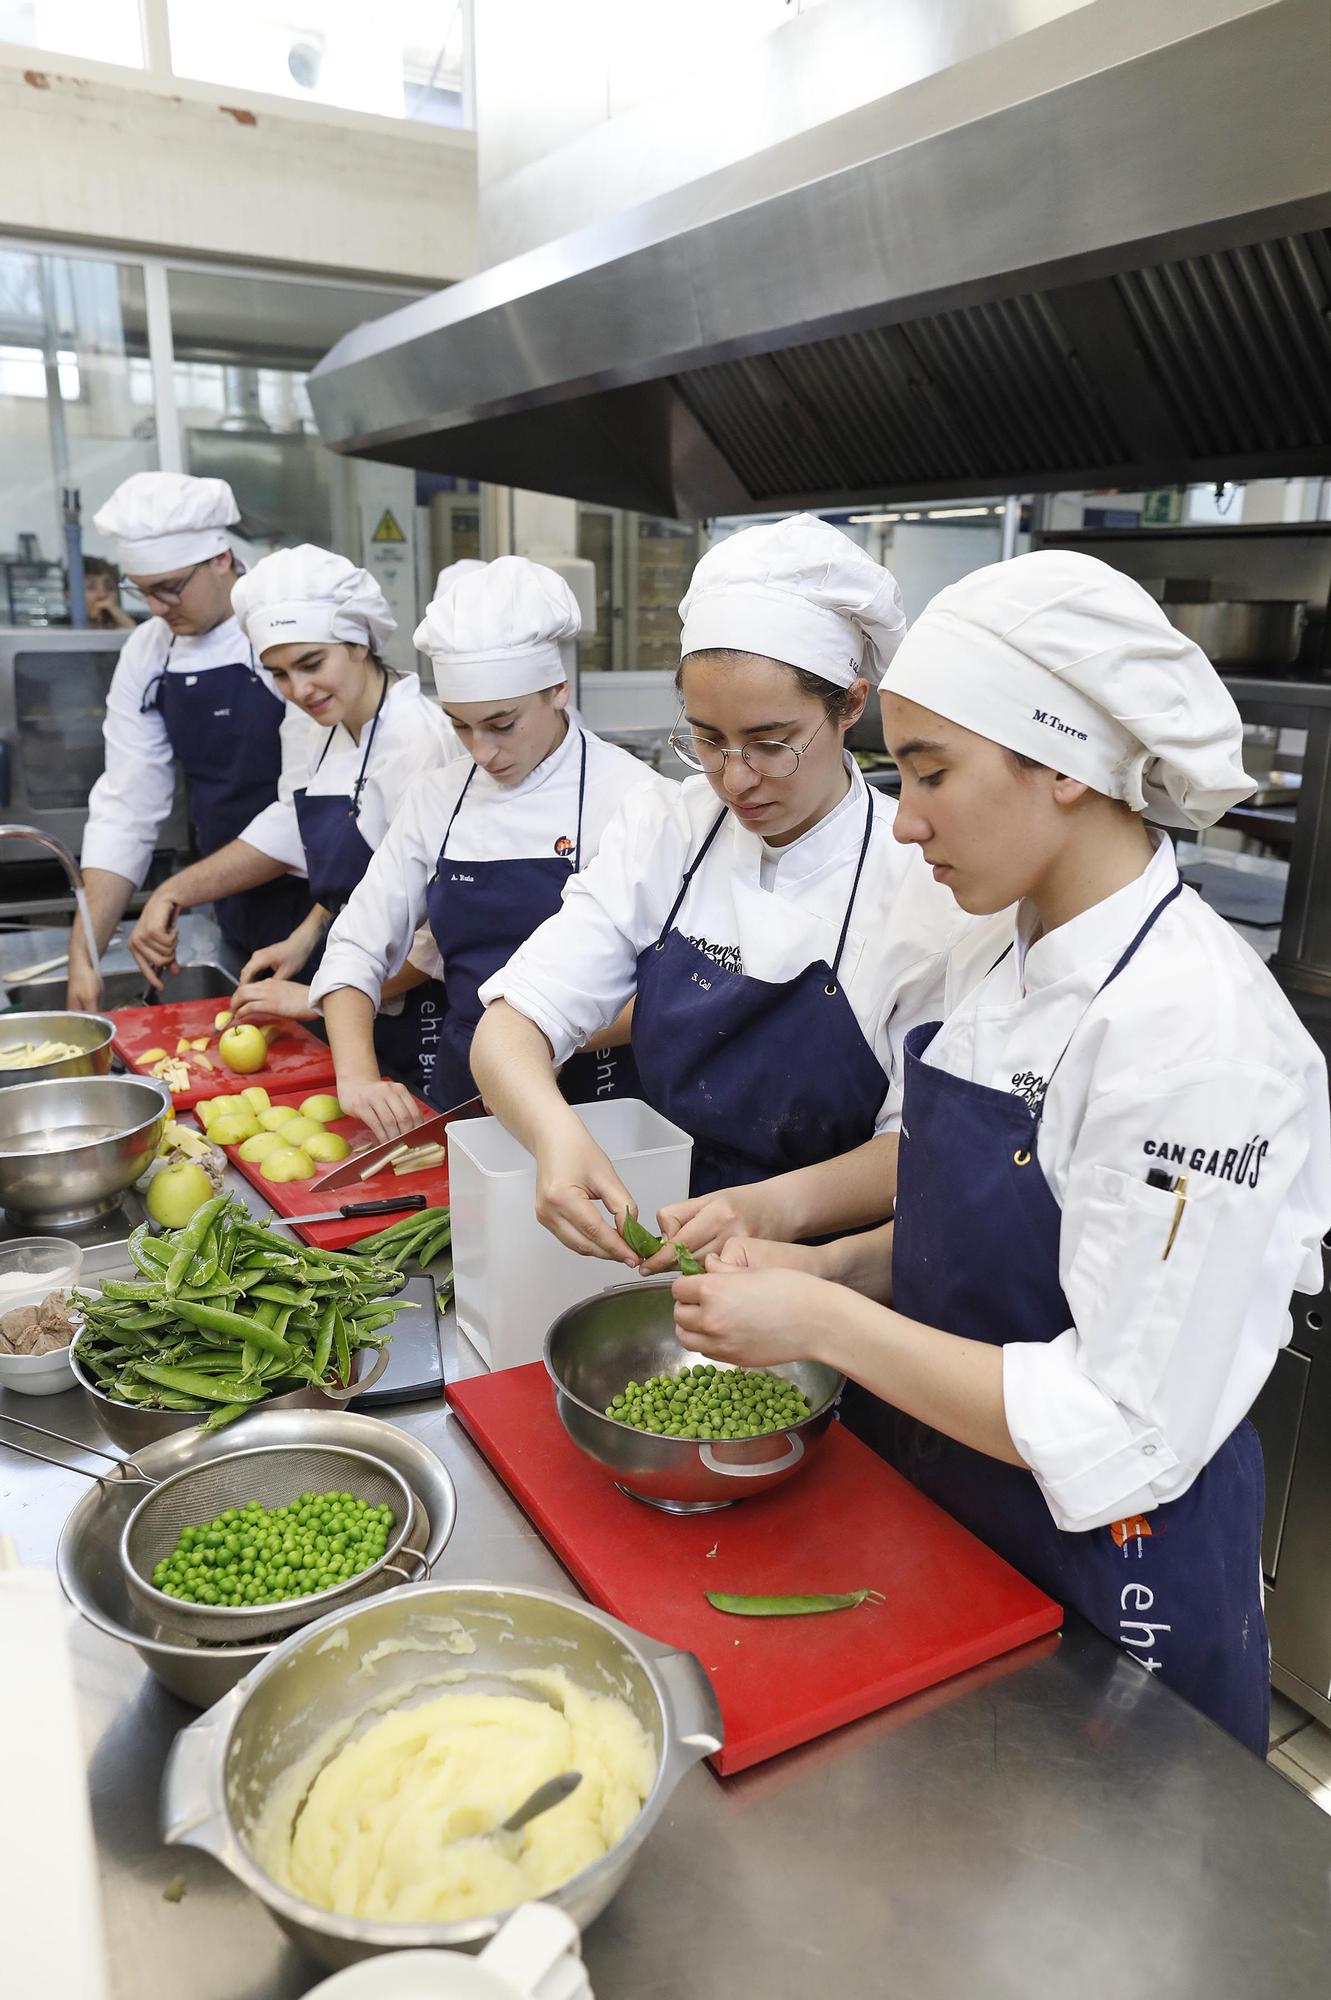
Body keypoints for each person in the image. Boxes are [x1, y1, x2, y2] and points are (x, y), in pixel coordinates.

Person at [669, 549, 1331, 1754]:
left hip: (1113, 1583)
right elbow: (978, 1222)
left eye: (930, 773)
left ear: (1065, 765)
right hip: (957, 1513)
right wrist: (822, 1266)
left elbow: (1118, 1423)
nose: (905, 819)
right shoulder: (1005, 943)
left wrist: (821, 1327)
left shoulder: (1195, 1036)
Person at [470, 515, 975, 1271]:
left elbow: (916, 1146)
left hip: (824, 1275)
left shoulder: (921, 882)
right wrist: (556, 1138)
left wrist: (761, 1212)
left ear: (849, 706)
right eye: (706, 739)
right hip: (659, 1243)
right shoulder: (665, 827)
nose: (734, 779)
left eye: (772, 744)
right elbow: (513, 1024)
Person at [309, 555, 665, 1141]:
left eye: (501, 724)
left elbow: (666, 986)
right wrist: (357, 1076)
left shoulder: (634, 797)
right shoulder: (437, 799)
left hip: (596, 1098)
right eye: (460, 726)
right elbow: (357, 943)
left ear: (558, 689)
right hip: (464, 1095)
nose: (481, 751)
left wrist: (533, 1040)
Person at [125, 545, 463, 1099]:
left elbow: (434, 935)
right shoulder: (314, 726)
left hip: (419, 1000)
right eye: (278, 673)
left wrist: (314, 997)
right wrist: (305, 938)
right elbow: (329, 850)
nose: (299, 691)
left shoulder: (421, 742)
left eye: (311, 663)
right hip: (356, 985)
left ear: (358, 644)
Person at [68, 472, 310, 1008]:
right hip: (233, 900)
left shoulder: (288, 632)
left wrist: (179, 890)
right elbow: (128, 803)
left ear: (221, 558)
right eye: (141, 590)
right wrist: (84, 951)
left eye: (169, 587)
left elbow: (310, 810)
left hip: (327, 904)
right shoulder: (150, 651)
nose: (155, 607)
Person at [82, 556, 136, 630]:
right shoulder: (62, 627)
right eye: (91, 587)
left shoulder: (133, 621)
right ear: (67, 595)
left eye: (109, 587)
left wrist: (124, 621)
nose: (102, 594)